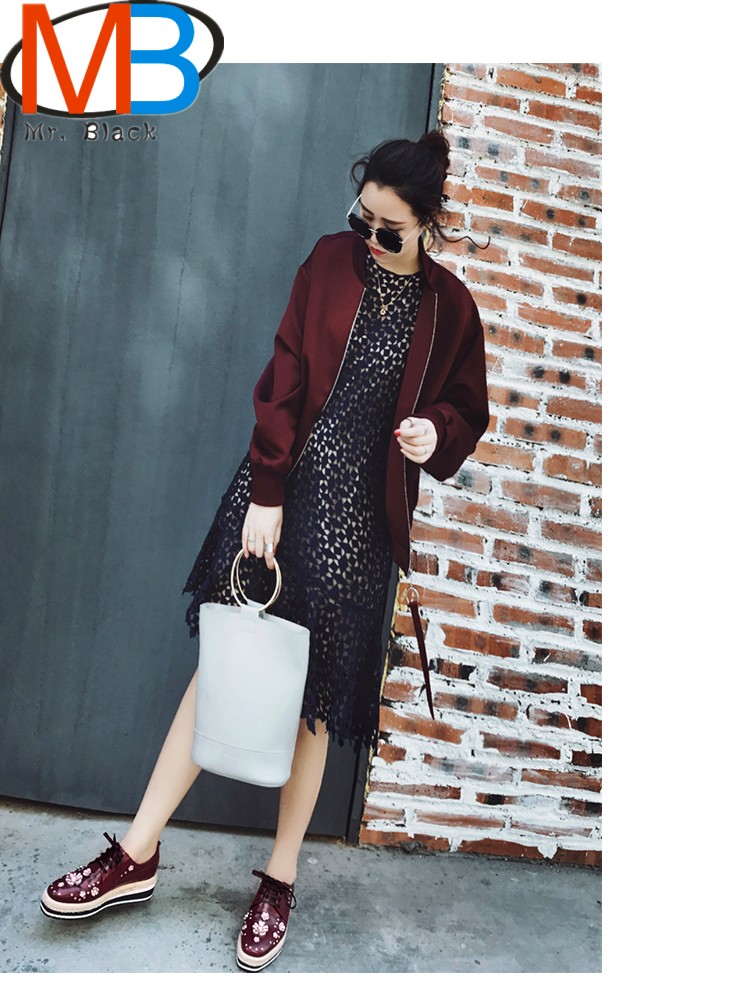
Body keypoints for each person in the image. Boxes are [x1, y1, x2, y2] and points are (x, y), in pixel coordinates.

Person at [39, 130, 491, 972]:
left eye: (389, 230)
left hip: (360, 527)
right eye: (363, 220)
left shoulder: (450, 310)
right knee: (223, 663)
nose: (370, 238)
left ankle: (279, 880)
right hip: (279, 497)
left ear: (428, 225)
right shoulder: (326, 263)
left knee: (314, 700)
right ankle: (137, 852)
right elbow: (284, 375)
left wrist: (437, 433)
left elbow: (469, 410)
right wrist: (269, 491)